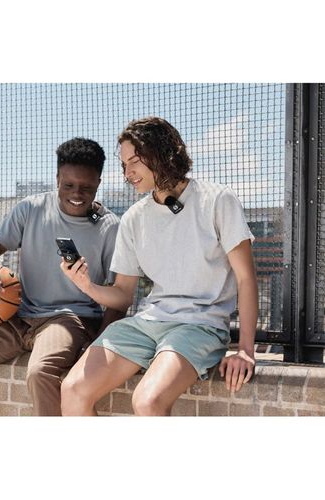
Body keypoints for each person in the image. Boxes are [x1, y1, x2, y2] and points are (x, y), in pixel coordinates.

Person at [60, 117, 258, 416]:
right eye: (123, 164)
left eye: (134, 162)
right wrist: (86, 285)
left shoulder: (217, 200)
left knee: (147, 401)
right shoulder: (134, 218)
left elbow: (245, 279)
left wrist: (245, 350)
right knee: (73, 389)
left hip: (199, 326)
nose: (127, 173)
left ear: (161, 154)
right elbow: (122, 295)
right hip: (147, 323)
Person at [0, 137, 123, 416]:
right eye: (68, 185)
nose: (77, 193)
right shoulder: (31, 208)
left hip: (69, 319)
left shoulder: (110, 228)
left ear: (98, 183)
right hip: (18, 316)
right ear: (57, 178)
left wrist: (96, 346)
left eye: (86, 187)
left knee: (40, 372)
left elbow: (119, 298)